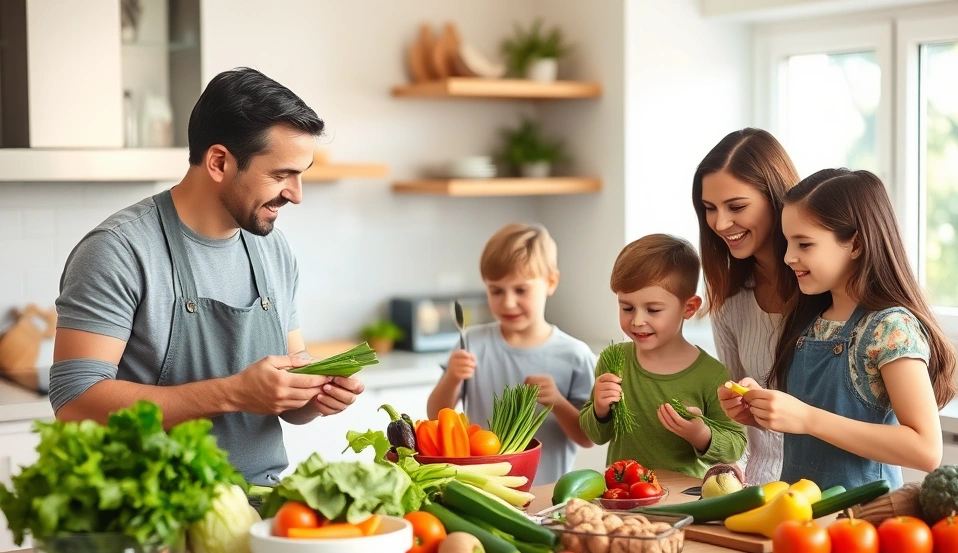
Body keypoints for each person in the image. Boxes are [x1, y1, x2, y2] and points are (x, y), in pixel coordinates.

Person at [49, 68, 365, 486]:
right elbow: (75, 401)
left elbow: (284, 392)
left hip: (260, 504)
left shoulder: (274, 249)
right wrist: (234, 392)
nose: (296, 194)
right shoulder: (118, 250)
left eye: (301, 174)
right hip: (153, 512)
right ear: (219, 162)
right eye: (281, 174)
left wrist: (315, 397)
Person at [719, 168, 958, 489]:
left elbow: (926, 449)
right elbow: (807, 427)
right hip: (801, 517)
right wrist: (759, 409)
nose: (789, 257)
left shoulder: (890, 327)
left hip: (863, 525)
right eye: (788, 243)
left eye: (804, 244)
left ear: (855, 244)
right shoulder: (808, 320)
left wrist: (807, 419)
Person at [426, 223, 596, 485]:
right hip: (483, 488)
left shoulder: (574, 354)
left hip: (549, 493)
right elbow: (436, 416)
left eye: (520, 290)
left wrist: (559, 403)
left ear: (551, 282)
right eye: (496, 290)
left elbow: (587, 438)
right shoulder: (471, 342)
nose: (507, 302)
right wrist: (452, 377)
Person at [579, 234, 746, 479]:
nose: (637, 320)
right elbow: (596, 435)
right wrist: (599, 409)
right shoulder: (613, 360)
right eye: (627, 308)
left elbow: (737, 444)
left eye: (653, 310)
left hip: (685, 501)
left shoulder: (712, 375)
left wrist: (701, 434)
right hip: (624, 495)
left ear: (688, 308)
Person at [693, 128, 800, 486]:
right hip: (758, 490)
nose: (720, 224)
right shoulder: (730, 302)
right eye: (710, 209)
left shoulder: (826, 290)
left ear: (776, 199)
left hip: (827, 493)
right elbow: (737, 421)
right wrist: (728, 469)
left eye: (736, 207)